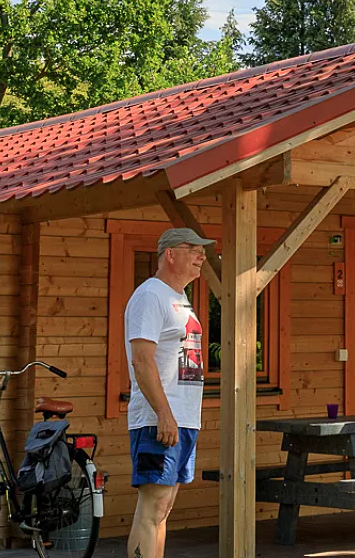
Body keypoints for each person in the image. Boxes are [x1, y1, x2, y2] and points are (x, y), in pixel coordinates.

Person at [125, 227, 212, 558]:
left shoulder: (179, 299)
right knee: (152, 510)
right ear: (169, 254)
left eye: (202, 250)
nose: (201, 256)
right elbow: (142, 361)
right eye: (193, 249)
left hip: (183, 419)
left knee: (162, 512)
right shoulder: (150, 295)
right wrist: (164, 413)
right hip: (158, 419)